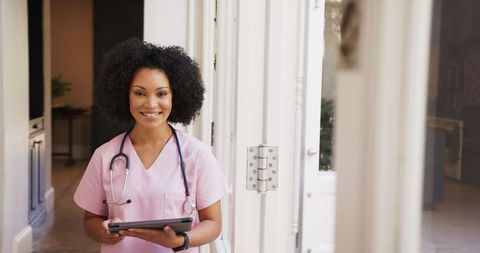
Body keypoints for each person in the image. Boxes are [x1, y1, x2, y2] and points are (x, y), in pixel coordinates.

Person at [74, 38, 228, 253]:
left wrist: (181, 241)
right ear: (124, 95)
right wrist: (101, 232)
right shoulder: (105, 155)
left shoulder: (197, 155)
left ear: (176, 96)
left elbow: (213, 224)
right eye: (139, 93)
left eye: (161, 93)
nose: (151, 104)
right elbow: (91, 219)